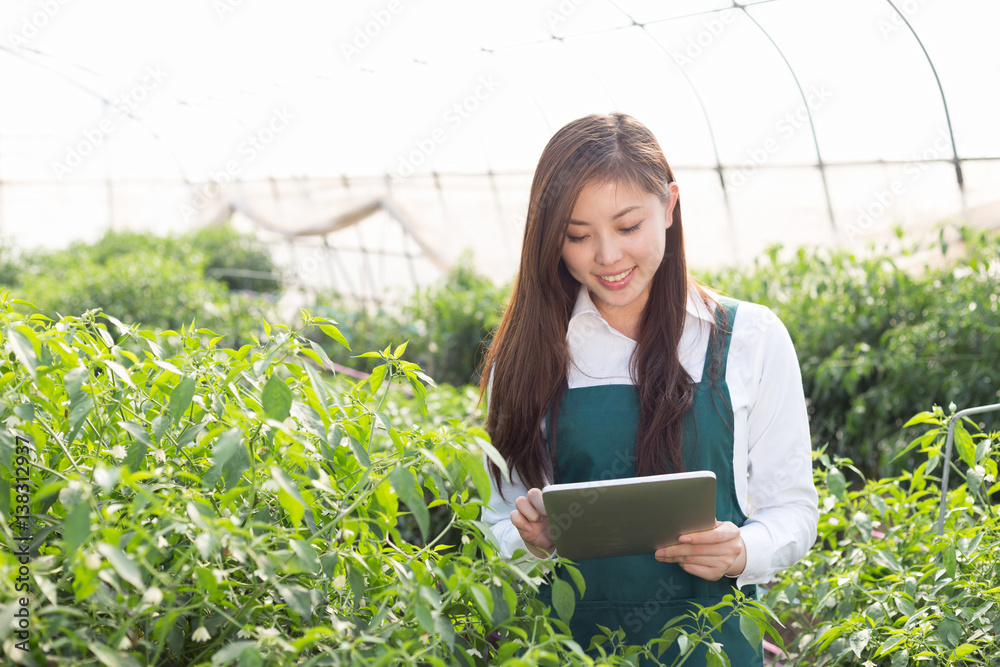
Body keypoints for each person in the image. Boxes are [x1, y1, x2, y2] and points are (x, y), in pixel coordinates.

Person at [478, 112, 819, 665]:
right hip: (568, 650)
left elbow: (793, 510)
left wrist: (740, 550)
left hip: (714, 647)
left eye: (628, 225)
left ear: (670, 206)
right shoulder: (525, 358)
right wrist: (527, 542)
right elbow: (495, 519)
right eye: (577, 236)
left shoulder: (747, 339)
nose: (607, 256)